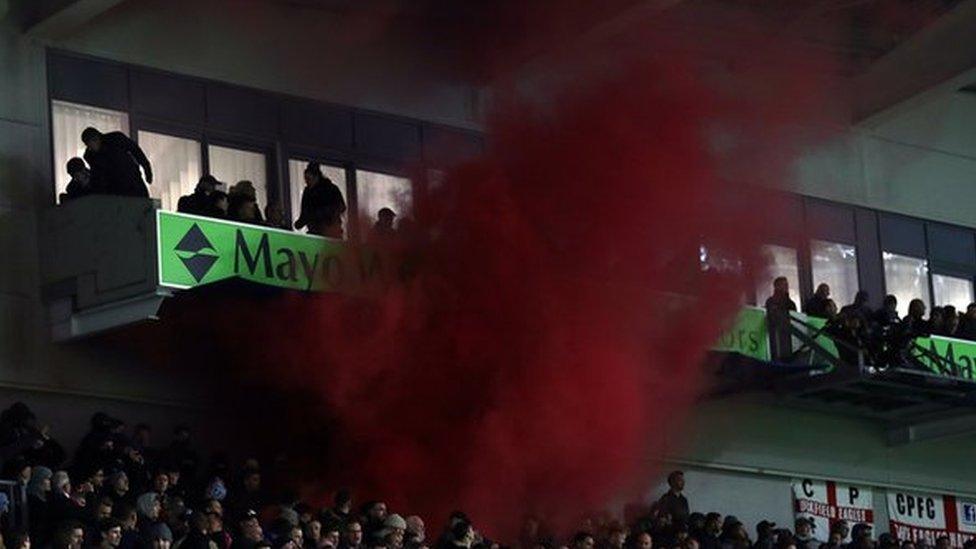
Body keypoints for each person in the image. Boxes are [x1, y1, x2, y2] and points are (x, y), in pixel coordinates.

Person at [81, 127, 153, 197]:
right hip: (116, 189)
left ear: (96, 138)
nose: (90, 148)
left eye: (90, 144)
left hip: (132, 183)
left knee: (142, 204)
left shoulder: (115, 139)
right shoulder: (91, 156)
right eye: (88, 145)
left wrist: (147, 168)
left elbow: (135, 150)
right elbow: (97, 176)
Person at [294, 162, 346, 238]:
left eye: (308, 179)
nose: (307, 182)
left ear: (316, 177)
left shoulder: (330, 189)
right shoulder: (308, 192)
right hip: (316, 232)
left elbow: (341, 207)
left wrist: (323, 213)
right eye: (306, 179)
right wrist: (300, 223)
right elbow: (305, 213)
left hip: (330, 231)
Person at [765, 277, 797, 361]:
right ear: (777, 286)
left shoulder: (790, 303)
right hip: (775, 338)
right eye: (784, 285)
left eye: (787, 285)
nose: (787, 287)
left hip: (788, 338)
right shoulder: (771, 302)